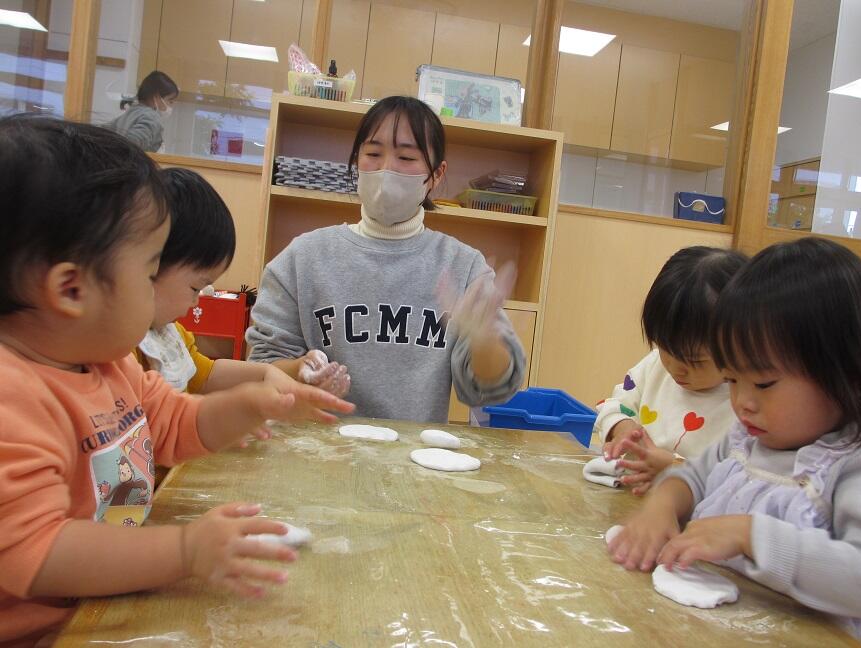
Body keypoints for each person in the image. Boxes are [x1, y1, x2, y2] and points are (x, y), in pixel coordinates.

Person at [0, 116, 348, 645]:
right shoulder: (12, 397)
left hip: (107, 608)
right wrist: (184, 551)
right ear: (71, 290)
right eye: (148, 271)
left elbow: (176, 422)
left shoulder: (108, 364)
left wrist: (253, 403)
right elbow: (40, 552)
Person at [608, 238, 861, 640]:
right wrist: (662, 506)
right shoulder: (746, 441)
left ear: (846, 371)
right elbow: (691, 477)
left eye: (763, 383)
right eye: (731, 379)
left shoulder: (848, 466)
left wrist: (752, 536)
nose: (742, 402)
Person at [245, 95, 526, 423]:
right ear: (355, 162)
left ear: (436, 175)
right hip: (317, 454)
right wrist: (301, 370)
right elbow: (263, 367)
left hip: (415, 459)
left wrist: (484, 343)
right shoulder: (302, 258)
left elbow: (493, 390)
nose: (387, 169)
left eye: (406, 156)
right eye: (374, 153)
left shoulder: (464, 267)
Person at [137, 167, 354, 421]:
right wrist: (238, 411)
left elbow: (206, 374)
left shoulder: (171, 334)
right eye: (195, 288)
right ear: (149, 266)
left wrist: (287, 372)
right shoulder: (119, 348)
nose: (197, 301)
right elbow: (162, 416)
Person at [595, 247, 747, 494]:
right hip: (635, 499)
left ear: (740, 345)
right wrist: (620, 427)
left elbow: (743, 481)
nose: (676, 369)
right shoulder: (655, 367)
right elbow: (612, 404)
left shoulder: (746, 402)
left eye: (695, 361)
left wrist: (676, 469)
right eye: (665, 349)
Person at [105, 70, 178, 152]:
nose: (171, 106)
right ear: (156, 97)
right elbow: (133, 144)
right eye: (170, 101)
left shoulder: (129, 113)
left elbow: (101, 132)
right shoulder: (152, 117)